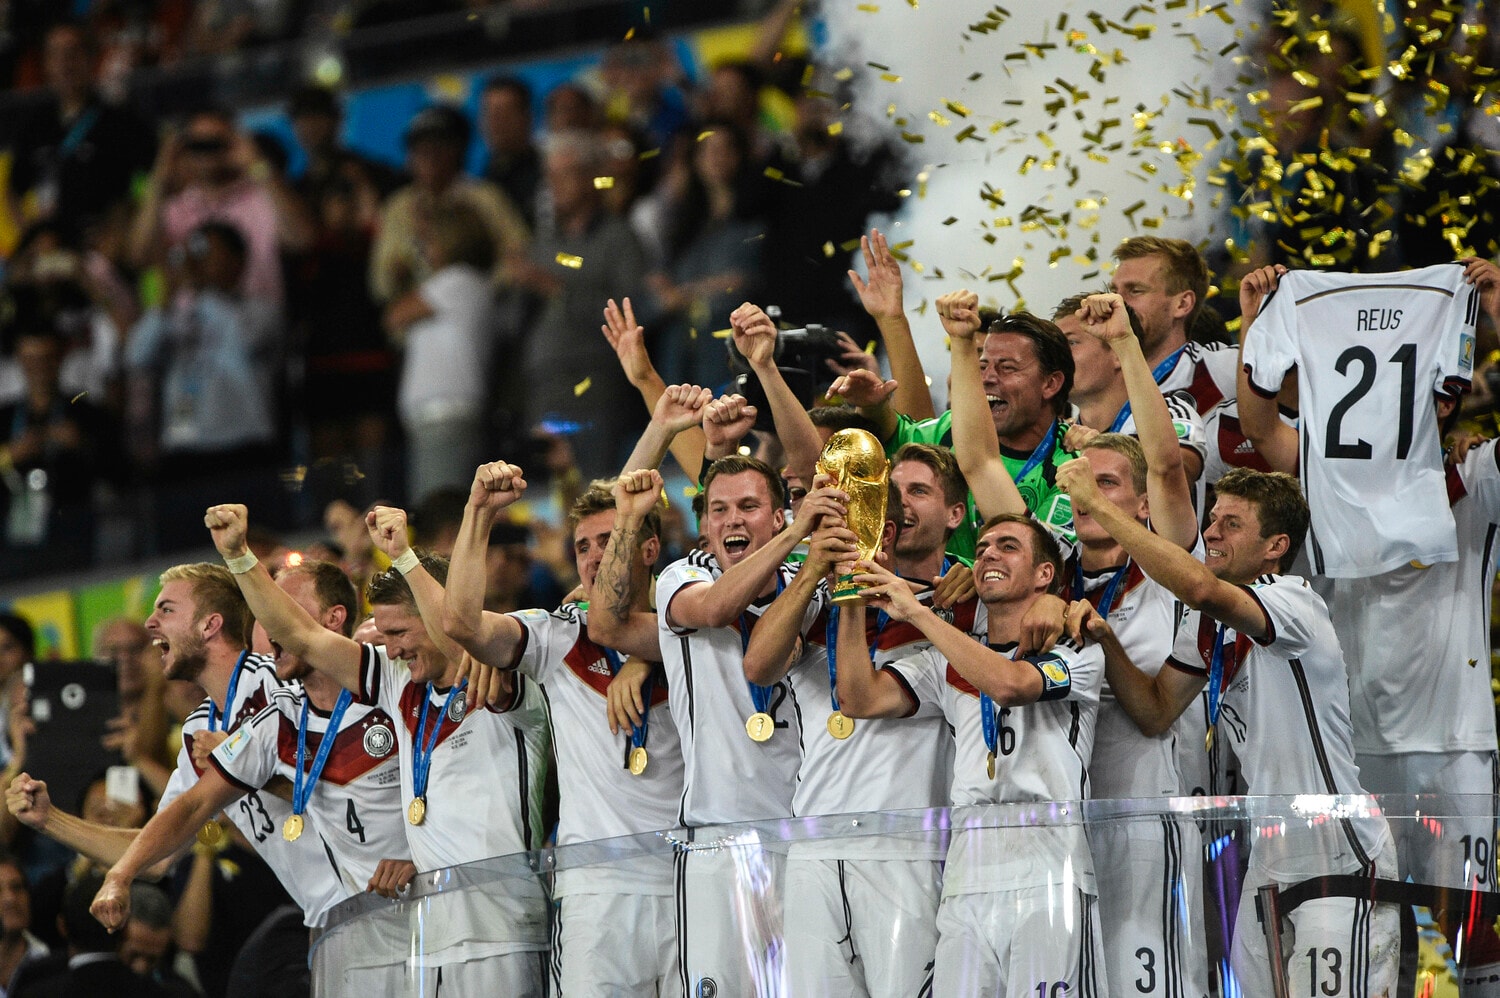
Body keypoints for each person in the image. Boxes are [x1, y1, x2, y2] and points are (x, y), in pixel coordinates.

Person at [1055, 461, 1399, 995]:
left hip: (1339, 848)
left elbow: (1198, 586)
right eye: (1212, 518)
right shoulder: (1207, 623)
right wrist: (1106, 641)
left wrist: (1099, 505)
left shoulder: (1294, 603)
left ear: (1275, 545)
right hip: (1270, 851)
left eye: (1231, 524)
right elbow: (1154, 710)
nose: (1211, 532)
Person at [197, 501, 550, 993]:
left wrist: (406, 555)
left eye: (400, 632)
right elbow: (301, 632)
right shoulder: (396, 678)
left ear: (436, 618)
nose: (392, 648)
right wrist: (238, 557)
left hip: (503, 931)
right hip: (432, 936)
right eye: (383, 635)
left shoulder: (501, 680)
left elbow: (464, 629)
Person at [593, 452, 844, 997]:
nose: (732, 519)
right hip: (717, 840)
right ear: (705, 525)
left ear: (776, 515)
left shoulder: (812, 584)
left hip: (802, 841)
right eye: (719, 509)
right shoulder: (682, 578)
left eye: (750, 507)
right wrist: (798, 535)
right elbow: (713, 611)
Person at [834, 514, 1107, 995]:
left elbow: (1010, 684)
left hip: (1049, 863)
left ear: (1046, 575)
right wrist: (851, 594)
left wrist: (916, 613)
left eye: (1007, 547)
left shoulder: (1076, 646)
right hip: (968, 868)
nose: (988, 556)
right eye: (981, 549)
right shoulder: (949, 662)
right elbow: (859, 698)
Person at [740, 445, 976, 998]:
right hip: (814, 847)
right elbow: (758, 664)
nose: (847, 536)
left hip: (908, 848)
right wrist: (816, 570)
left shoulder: (948, 610)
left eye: (859, 525)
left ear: (886, 534)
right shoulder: (811, 605)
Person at [443, 462, 685, 996]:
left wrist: (644, 660)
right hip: (595, 891)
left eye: (609, 539)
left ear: (647, 549)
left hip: (688, 884)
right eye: (582, 547)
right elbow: (462, 622)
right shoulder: (559, 638)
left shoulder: (696, 632)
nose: (596, 556)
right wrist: (478, 513)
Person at [87, 554, 413, 940]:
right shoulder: (202, 728)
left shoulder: (281, 689)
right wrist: (50, 821)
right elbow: (166, 842)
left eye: (166, 609)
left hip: (399, 893)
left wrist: (250, 771)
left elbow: (350, 787)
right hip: (333, 921)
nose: (150, 623)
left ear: (210, 624)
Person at [834, 309, 1078, 559]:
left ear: (1050, 384)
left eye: (1007, 368)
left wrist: (973, 574)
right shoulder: (949, 430)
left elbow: (1048, 561)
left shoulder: (1075, 466)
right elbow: (891, 437)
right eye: (981, 366)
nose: (987, 378)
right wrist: (872, 406)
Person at [383, 203, 500, 501]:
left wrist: (406, 272)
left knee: (438, 512)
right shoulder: (469, 283)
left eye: (430, 240)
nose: (424, 249)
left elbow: (394, 315)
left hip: (444, 417)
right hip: (446, 417)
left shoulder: (456, 281)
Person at [5, 22, 155, 241]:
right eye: (55, 55)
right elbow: (13, 189)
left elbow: (154, 177)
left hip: (101, 249)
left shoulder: (121, 122)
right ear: (46, 64)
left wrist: (124, 229)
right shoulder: (35, 125)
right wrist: (30, 237)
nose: (65, 63)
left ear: (91, 59)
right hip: (53, 248)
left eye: (73, 53)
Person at [368, 104, 529, 305]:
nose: (429, 157)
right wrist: (397, 275)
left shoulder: (486, 198)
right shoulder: (398, 206)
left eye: (438, 147)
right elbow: (380, 282)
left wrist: (474, 290)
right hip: (415, 324)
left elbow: (519, 254)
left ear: (459, 150)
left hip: (479, 313)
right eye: (419, 149)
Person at [1109, 236, 1237, 414]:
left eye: (1135, 290)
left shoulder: (1225, 369)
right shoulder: (1104, 389)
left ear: (1182, 304)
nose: (1117, 301)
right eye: (1114, 291)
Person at [477, 76, 543, 229]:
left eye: (505, 113)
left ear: (527, 117)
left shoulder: (549, 170)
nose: (496, 123)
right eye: (490, 114)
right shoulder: (483, 178)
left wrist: (605, 182)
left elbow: (600, 183)